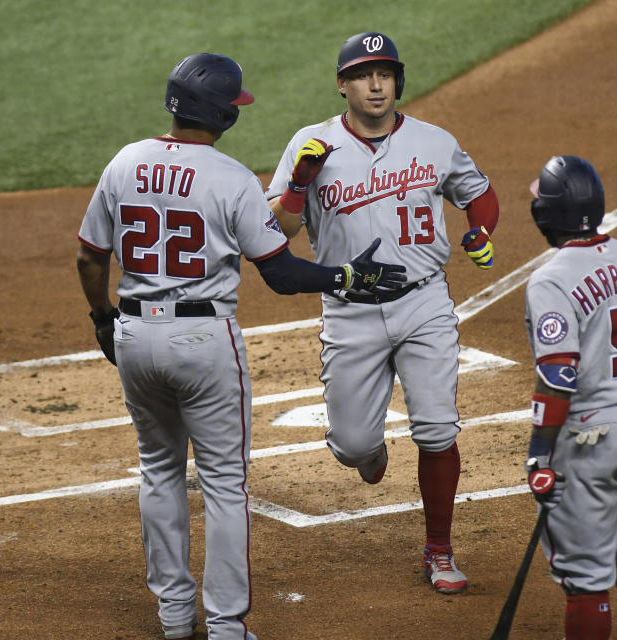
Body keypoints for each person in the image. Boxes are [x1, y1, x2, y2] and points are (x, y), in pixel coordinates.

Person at [75, 53, 405, 640]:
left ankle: (175, 618)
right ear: (225, 114)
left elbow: (89, 255)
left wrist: (103, 319)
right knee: (225, 483)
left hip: (133, 333)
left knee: (158, 470)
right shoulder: (230, 178)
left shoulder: (124, 162)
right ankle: (227, 627)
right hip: (203, 341)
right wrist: (347, 277)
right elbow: (280, 273)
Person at [264, 31, 500, 594]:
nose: (376, 84)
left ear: (398, 81)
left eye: (386, 74)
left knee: (438, 430)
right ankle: (369, 454)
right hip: (351, 311)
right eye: (364, 75)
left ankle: (439, 551)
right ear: (342, 84)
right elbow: (278, 230)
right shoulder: (311, 143)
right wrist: (299, 183)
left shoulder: (434, 141)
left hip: (424, 301)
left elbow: (479, 195)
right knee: (350, 445)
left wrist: (480, 231)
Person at [524, 156, 617, 640]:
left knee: (584, 577)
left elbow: (559, 376)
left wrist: (539, 454)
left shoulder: (550, 279)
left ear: (546, 215)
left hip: (591, 437)